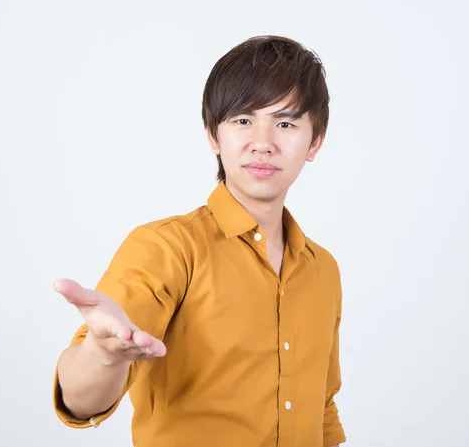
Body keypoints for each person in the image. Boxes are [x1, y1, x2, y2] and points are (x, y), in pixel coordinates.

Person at [53, 34, 346, 447]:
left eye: (285, 122)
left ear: (314, 141)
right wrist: (103, 356)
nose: (262, 142)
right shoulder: (165, 249)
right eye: (243, 120)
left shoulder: (323, 269)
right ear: (213, 135)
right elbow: (80, 401)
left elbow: (323, 410)